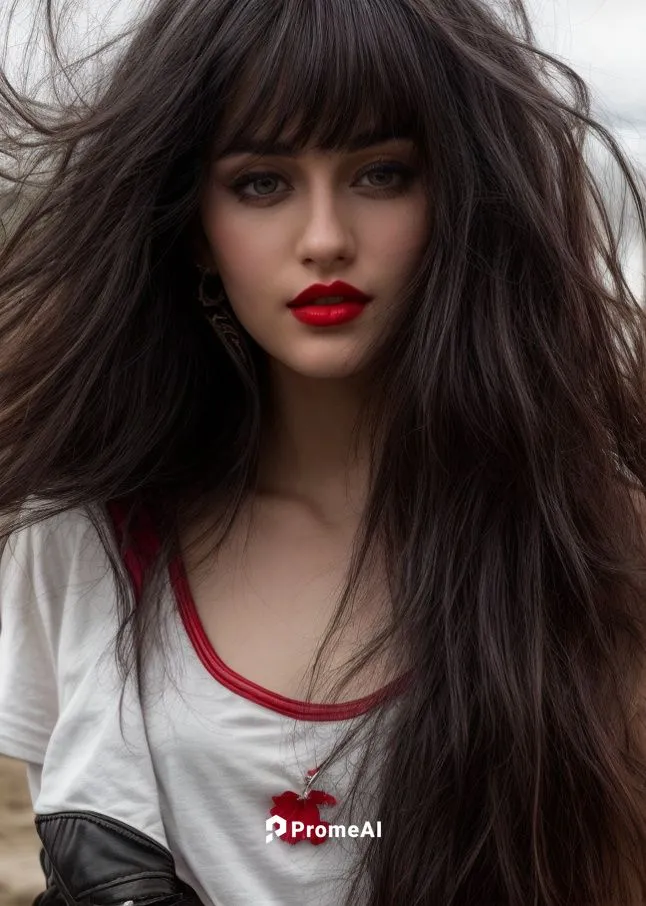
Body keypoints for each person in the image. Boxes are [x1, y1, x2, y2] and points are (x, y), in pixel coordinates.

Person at [1, 0, 646, 904]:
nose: (324, 239)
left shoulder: (596, 543)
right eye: (261, 183)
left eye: (380, 174)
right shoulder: (82, 543)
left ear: (457, 195)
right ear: (194, 224)